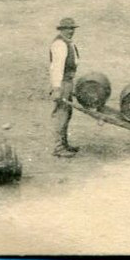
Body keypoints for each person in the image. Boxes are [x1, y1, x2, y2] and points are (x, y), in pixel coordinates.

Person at [48, 17, 81, 157]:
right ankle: (58, 147)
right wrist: (56, 88)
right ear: (61, 30)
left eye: (72, 28)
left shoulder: (68, 43)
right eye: (68, 28)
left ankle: (64, 144)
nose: (71, 31)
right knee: (61, 114)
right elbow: (57, 68)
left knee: (67, 114)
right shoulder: (60, 44)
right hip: (62, 83)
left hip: (68, 82)